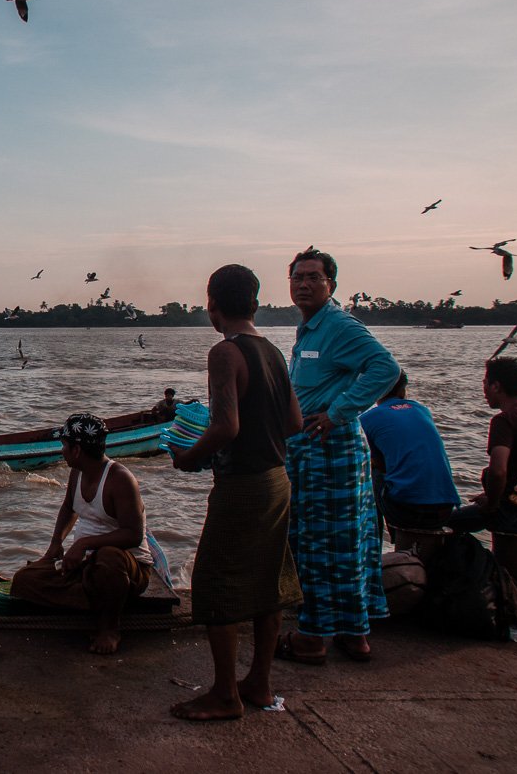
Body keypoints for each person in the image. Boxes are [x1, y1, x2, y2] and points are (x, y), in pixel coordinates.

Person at [169, 264, 304, 721]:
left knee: (215, 582)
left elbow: (226, 425)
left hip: (243, 484)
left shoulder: (225, 353)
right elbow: (294, 424)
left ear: (213, 305)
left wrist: (189, 456)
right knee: (270, 582)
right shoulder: (273, 352)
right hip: (277, 479)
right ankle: (260, 684)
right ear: (255, 304)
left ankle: (226, 694)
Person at [280, 247, 400, 665]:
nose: (304, 284)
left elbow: (386, 369)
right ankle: (354, 631)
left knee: (318, 541)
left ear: (332, 284)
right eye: (298, 277)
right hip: (314, 447)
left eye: (314, 277)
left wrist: (338, 412)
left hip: (330, 448)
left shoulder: (338, 325)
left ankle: (313, 637)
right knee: (347, 540)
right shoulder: (311, 329)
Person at [10, 413, 157, 654]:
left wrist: (85, 544)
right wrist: (56, 544)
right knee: (24, 580)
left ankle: (110, 627)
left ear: (77, 450)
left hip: (126, 568)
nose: (62, 451)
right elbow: (69, 507)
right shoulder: (77, 473)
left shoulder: (120, 480)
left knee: (108, 558)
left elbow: (133, 534)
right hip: (86, 567)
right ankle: (99, 599)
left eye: (64, 446)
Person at [449, 357, 517, 537]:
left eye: (485, 383)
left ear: (496, 386)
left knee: (445, 523)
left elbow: (498, 471)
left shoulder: (504, 420)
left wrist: (492, 505)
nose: (484, 390)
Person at [359, 371, 460, 538]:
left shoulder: (367, 418)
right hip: (446, 506)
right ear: (402, 391)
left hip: (407, 508)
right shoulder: (422, 410)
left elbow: (380, 464)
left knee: (370, 471)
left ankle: (373, 542)